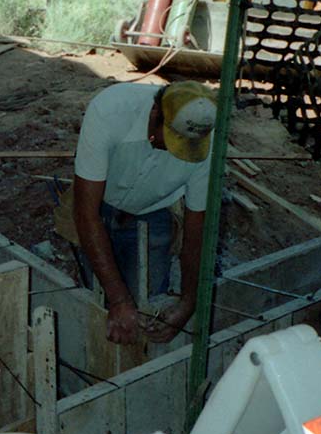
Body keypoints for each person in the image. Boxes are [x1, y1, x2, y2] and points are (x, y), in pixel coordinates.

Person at [72, 81, 217, 345]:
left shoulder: (208, 147)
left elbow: (198, 232)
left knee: (148, 308)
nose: (179, 151)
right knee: (98, 300)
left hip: (154, 211)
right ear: (155, 115)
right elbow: (85, 213)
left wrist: (189, 301)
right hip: (101, 206)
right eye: (174, 140)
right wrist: (118, 299)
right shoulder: (110, 111)